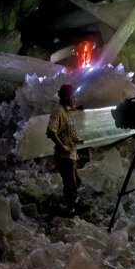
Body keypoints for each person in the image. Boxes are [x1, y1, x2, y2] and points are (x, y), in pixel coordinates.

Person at [46, 83, 83, 214]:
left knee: (76, 181)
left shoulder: (67, 111)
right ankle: (70, 210)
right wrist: (63, 147)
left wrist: (77, 140)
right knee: (71, 184)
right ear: (67, 97)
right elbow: (51, 131)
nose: (75, 100)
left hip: (71, 156)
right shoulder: (58, 111)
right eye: (73, 97)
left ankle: (73, 203)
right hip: (64, 157)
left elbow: (68, 131)